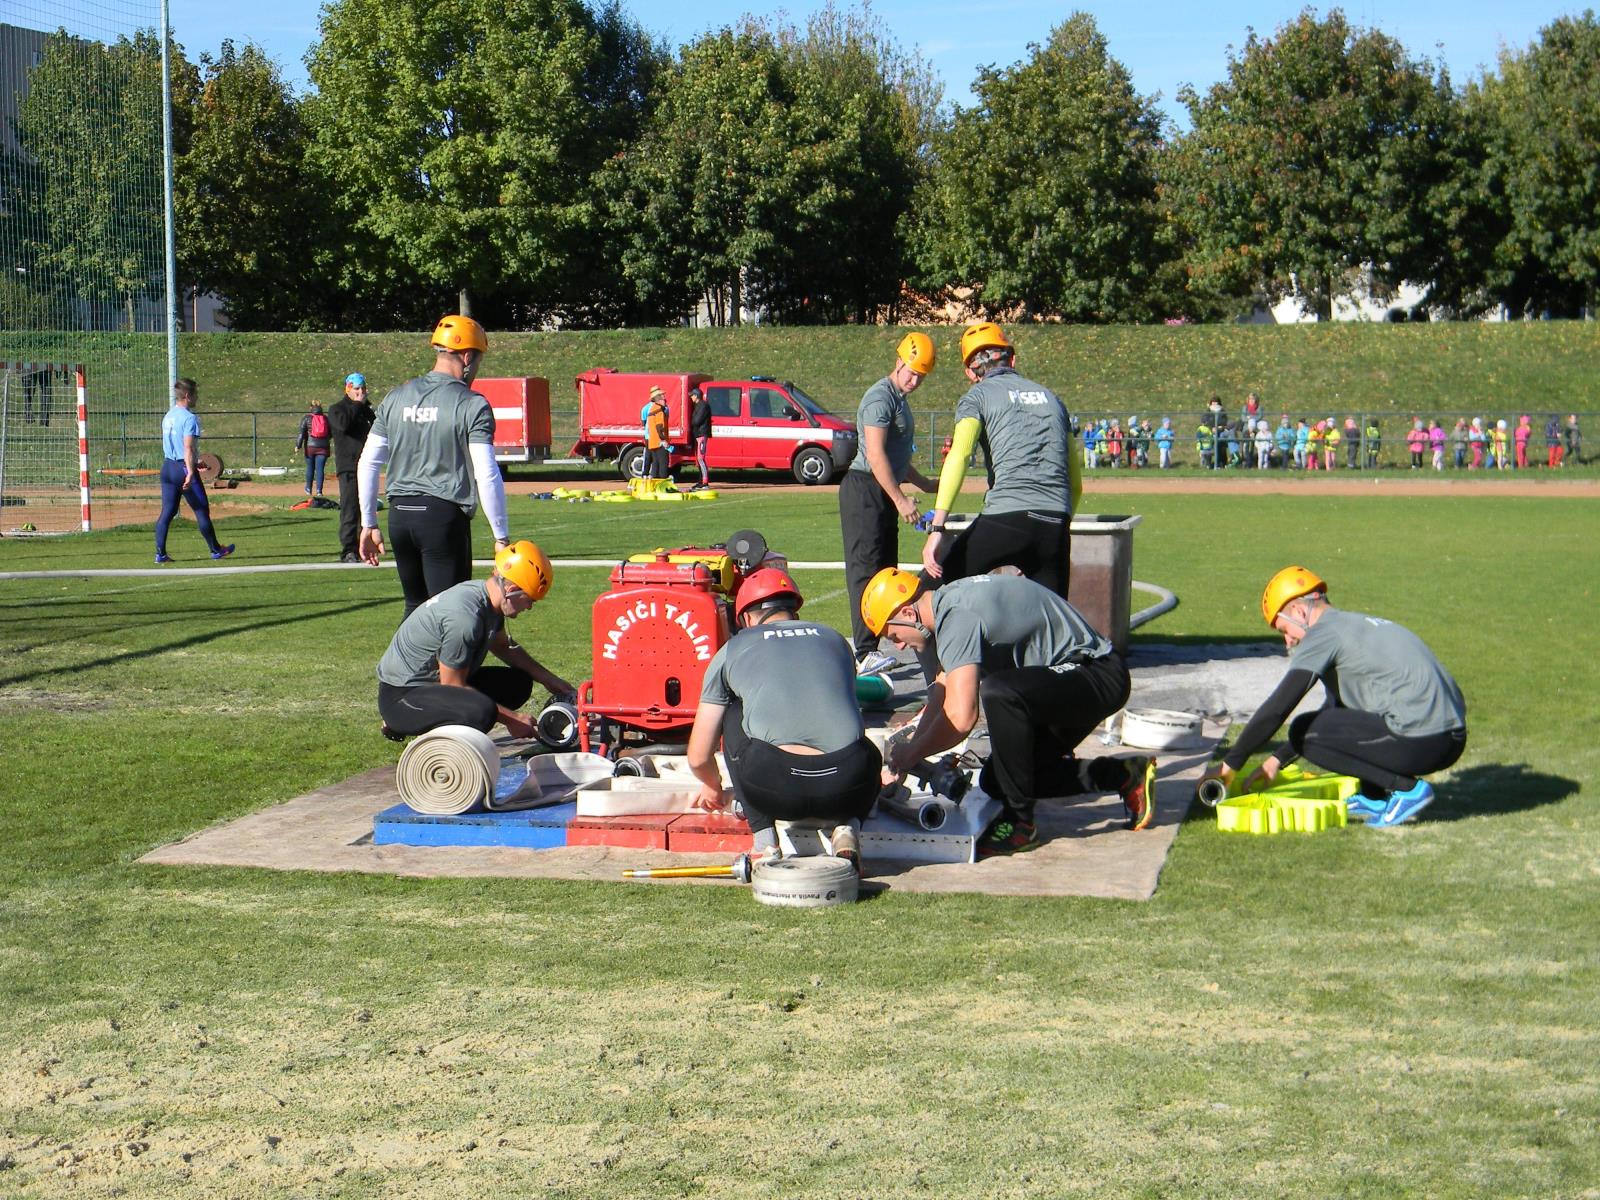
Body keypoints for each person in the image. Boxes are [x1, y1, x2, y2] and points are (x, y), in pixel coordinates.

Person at [861, 567, 1157, 858]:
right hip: (1073, 680)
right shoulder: (948, 603)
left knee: (999, 692)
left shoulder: (956, 618)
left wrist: (911, 755)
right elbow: (940, 693)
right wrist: (908, 755)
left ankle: (1020, 823)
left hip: (1097, 675)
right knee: (1000, 780)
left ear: (909, 614)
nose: (898, 645)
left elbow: (961, 717)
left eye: (894, 635)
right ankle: (1124, 774)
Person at [1203, 566, 1466, 828]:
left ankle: (1408, 790)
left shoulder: (1323, 634)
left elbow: (1278, 707)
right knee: (1339, 720)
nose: (1288, 641)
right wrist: (1277, 760)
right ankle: (1373, 795)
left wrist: (1231, 763)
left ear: (1298, 611)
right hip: (1449, 738)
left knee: (1303, 731)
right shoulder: (1353, 623)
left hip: (1424, 741)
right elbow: (1337, 708)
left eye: (1284, 629)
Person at [687, 568, 882, 869]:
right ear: (794, 609)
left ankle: (765, 840)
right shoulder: (835, 640)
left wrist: (712, 785)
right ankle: (847, 827)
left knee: (734, 710)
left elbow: (699, 756)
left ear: (747, 618)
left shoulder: (732, 650)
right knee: (861, 743)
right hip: (847, 786)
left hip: (774, 788)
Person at [357, 315, 513, 618]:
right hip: (442, 518)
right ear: (467, 356)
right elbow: (486, 473)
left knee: (415, 610)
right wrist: (501, 536)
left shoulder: (396, 397)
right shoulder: (471, 403)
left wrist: (368, 523)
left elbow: (368, 463)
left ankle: (402, 667)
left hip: (400, 516)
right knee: (450, 616)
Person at [918, 323, 1079, 600]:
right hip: (1055, 523)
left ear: (970, 372)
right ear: (1012, 359)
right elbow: (1075, 484)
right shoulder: (1053, 400)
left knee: (932, 591)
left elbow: (960, 456)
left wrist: (937, 528)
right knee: (1052, 624)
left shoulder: (977, 397)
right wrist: (1055, 528)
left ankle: (914, 638)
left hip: (1007, 515)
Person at [377, 540, 573, 740]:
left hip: (431, 687)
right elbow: (452, 685)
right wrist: (513, 719)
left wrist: (550, 680)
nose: (530, 607)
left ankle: (438, 721)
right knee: (482, 712)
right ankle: (405, 726)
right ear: (512, 590)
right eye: (530, 600)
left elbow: (504, 647)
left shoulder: (486, 597)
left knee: (518, 684)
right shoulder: (465, 619)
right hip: (402, 698)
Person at [839, 332, 939, 674]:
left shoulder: (899, 399)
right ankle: (864, 651)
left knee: (885, 569)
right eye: (910, 372)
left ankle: (884, 638)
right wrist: (900, 499)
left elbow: (896, 457)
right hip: (865, 487)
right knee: (865, 570)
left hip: (881, 487)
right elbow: (877, 454)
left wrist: (924, 483)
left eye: (920, 376)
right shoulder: (879, 398)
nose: (914, 380)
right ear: (899, 361)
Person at [153, 378, 235, 564]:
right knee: (201, 510)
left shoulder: (168, 416)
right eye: (196, 394)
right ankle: (216, 550)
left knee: (167, 512)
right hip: (182, 470)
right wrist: (190, 471)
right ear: (188, 396)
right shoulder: (189, 418)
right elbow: (187, 447)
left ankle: (160, 554)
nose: (197, 397)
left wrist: (194, 462)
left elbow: (177, 447)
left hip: (168, 467)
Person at [328, 372, 376, 563]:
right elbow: (343, 426)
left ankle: (365, 545)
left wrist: (365, 408)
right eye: (356, 389)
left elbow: (377, 427)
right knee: (350, 508)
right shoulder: (337, 409)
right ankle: (348, 549)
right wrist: (357, 405)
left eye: (363, 389)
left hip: (367, 465)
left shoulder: (365, 410)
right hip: (348, 466)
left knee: (367, 508)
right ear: (348, 389)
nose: (360, 393)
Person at [295, 399, 332, 506]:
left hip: (310, 447)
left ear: (310, 407)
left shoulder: (306, 418)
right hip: (323, 447)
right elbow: (331, 433)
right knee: (320, 469)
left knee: (310, 468)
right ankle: (319, 491)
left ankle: (308, 489)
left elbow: (301, 434)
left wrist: (298, 446)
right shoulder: (326, 418)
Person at [642, 386, 670, 485]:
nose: (665, 399)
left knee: (655, 466)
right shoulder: (659, 411)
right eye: (663, 397)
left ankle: (653, 485)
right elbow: (660, 427)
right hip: (659, 443)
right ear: (659, 399)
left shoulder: (651, 409)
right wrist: (663, 440)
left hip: (652, 441)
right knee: (663, 465)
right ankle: (662, 486)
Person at [688, 384, 713, 490]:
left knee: (701, 459)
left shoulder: (703, 405)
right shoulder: (699, 405)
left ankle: (705, 482)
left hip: (701, 435)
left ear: (697, 395)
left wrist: (692, 422)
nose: (691, 397)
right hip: (698, 435)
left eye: (692, 395)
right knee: (699, 460)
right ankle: (700, 481)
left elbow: (696, 421)